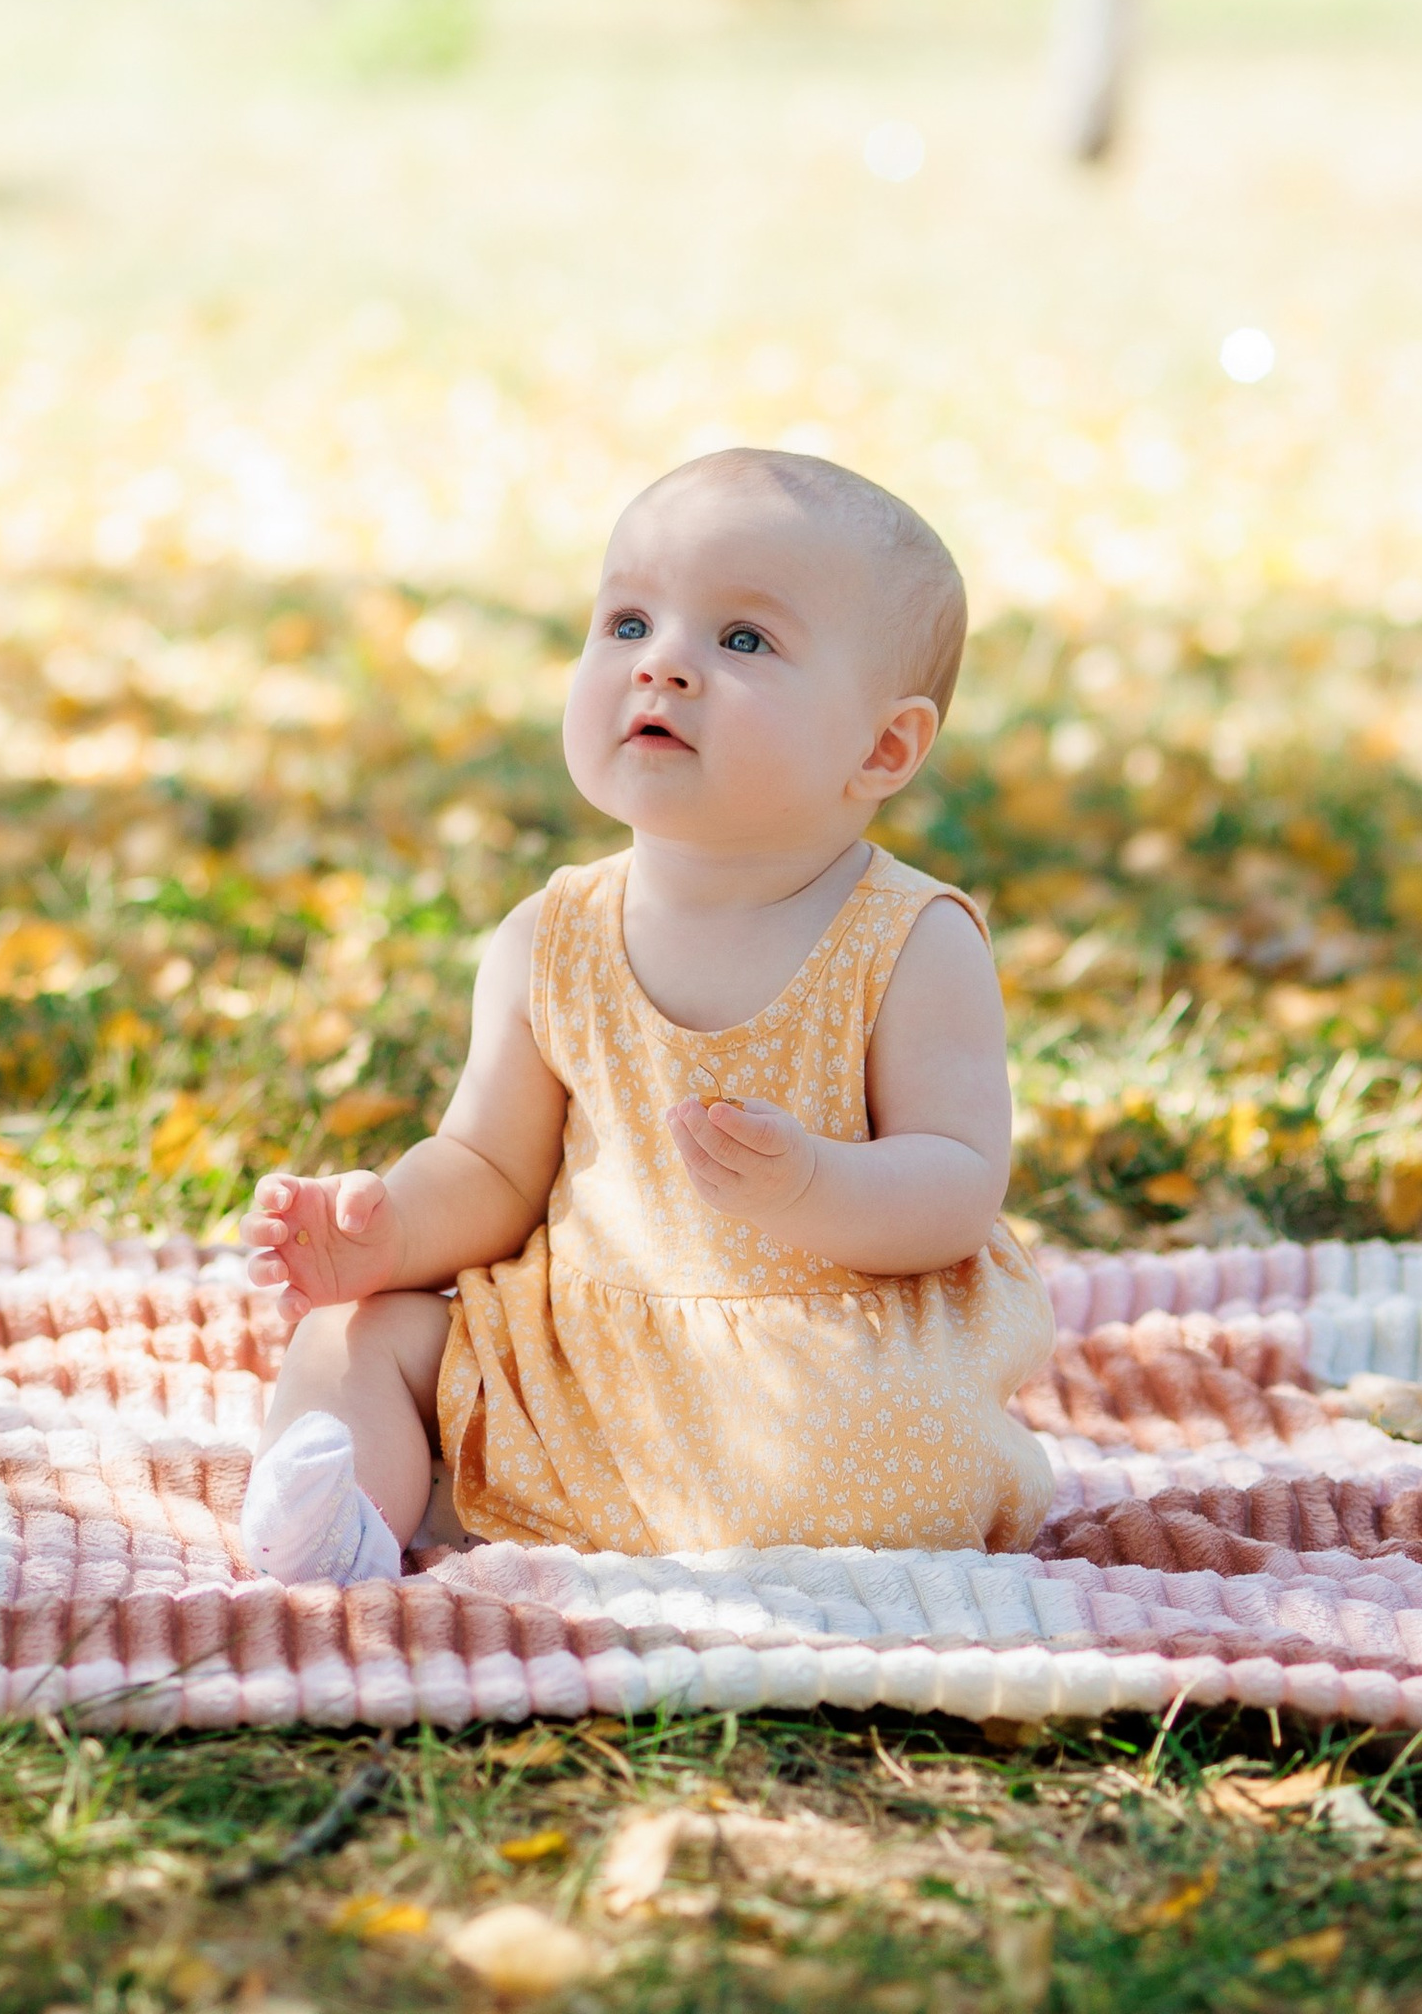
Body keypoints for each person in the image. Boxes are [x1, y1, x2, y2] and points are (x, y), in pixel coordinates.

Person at [237, 446, 1055, 1583]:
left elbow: (957, 1187)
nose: (662, 667)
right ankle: (346, 1531)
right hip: (581, 1349)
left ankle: (613, 1517)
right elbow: (489, 1167)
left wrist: (813, 1186)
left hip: (817, 1372)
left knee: (881, 1448)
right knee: (355, 1338)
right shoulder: (549, 936)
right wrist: (388, 1234)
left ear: (882, 748)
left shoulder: (906, 941)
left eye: (742, 640)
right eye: (627, 623)